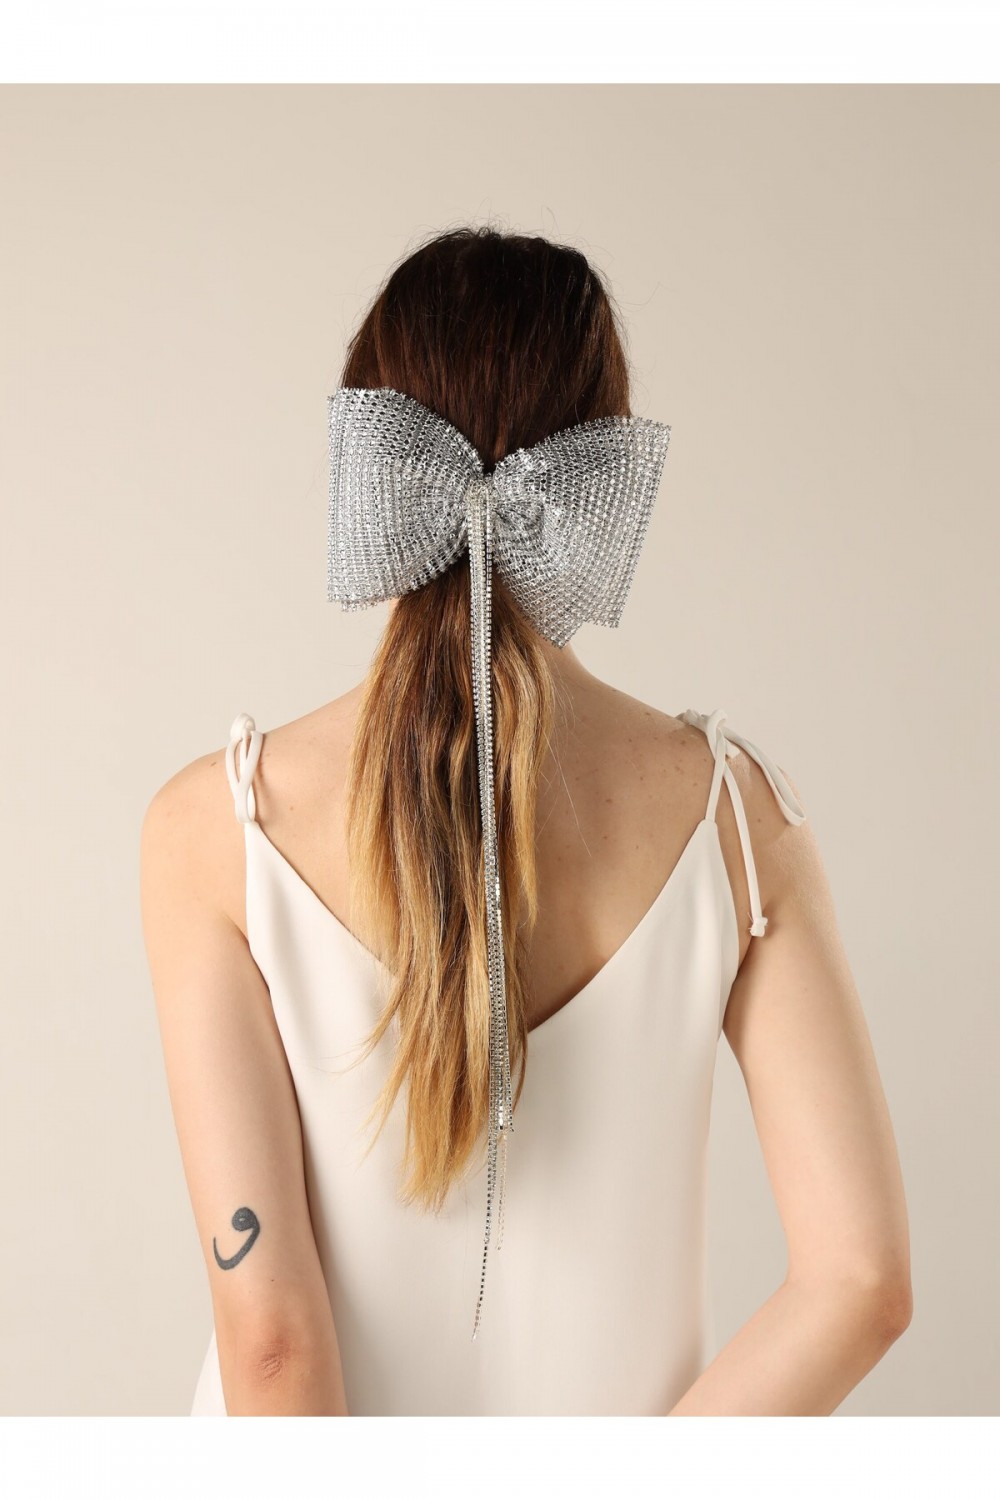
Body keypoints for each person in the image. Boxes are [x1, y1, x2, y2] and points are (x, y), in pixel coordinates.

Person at [139, 224, 912, 1416]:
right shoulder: (735, 819)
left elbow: (272, 1347)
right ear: (601, 478)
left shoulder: (218, 824)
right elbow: (859, 1283)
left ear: (366, 456)